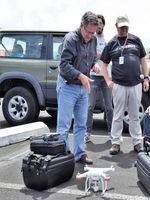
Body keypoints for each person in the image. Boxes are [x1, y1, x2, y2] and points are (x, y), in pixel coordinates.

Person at [101, 15, 149, 155]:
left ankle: (137, 142)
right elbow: (104, 65)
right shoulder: (111, 43)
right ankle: (115, 143)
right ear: (116, 26)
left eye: (126, 26)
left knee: (135, 115)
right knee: (117, 115)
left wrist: (145, 78)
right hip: (119, 85)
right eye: (121, 27)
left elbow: (143, 61)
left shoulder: (135, 40)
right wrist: (108, 81)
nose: (124, 29)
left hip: (135, 84)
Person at [56, 11, 100, 165]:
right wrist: (81, 76)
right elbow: (64, 66)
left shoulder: (93, 39)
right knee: (64, 125)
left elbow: (92, 57)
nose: (90, 36)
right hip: (68, 86)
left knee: (81, 123)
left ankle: (79, 154)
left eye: (93, 33)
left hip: (83, 87)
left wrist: (94, 64)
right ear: (81, 25)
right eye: (88, 32)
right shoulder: (70, 39)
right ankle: (65, 157)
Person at [85, 14, 113, 143]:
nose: (99, 25)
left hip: (106, 78)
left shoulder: (108, 41)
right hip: (93, 77)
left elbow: (110, 57)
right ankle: (87, 133)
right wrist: (101, 55)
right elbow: (89, 55)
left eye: (101, 23)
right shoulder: (91, 39)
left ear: (103, 25)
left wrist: (99, 54)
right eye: (97, 23)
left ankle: (111, 133)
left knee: (109, 107)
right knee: (90, 106)